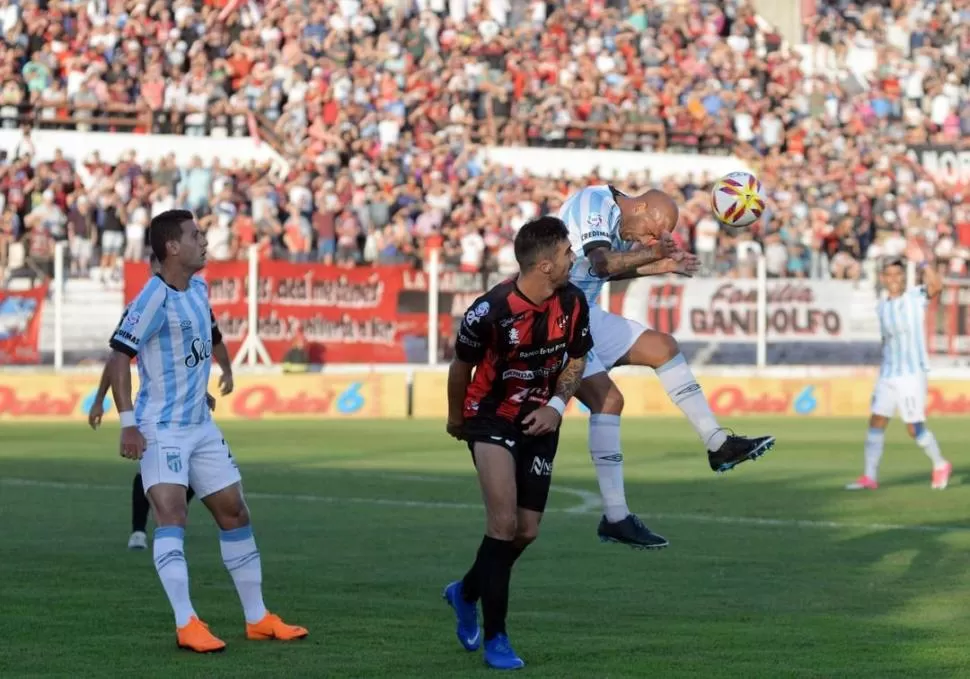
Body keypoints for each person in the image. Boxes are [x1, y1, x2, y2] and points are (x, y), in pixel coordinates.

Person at [105, 209, 307, 653]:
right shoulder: (151, 298)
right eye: (196, 236)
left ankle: (257, 618)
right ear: (172, 247)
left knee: (235, 512)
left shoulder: (198, 286)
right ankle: (186, 623)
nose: (205, 241)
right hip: (163, 429)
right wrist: (127, 424)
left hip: (200, 423)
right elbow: (120, 356)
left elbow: (209, 332)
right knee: (172, 516)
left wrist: (224, 370)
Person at [559, 186, 775, 549]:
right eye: (652, 229)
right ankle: (616, 517)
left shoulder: (617, 217)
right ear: (640, 205)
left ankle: (717, 443)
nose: (650, 238)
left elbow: (602, 272)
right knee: (608, 401)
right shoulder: (593, 203)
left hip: (584, 312)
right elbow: (601, 264)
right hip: (557, 316)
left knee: (662, 347)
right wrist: (653, 254)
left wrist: (661, 264)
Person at [443, 216, 593, 670]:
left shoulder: (573, 301)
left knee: (526, 533)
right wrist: (456, 419)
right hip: (489, 418)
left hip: (541, 421)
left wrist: (556, 405)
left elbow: (577, 358)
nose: (574, 259)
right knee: (503, 525)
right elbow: (459, 367)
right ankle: (497, 639)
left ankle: (465, 591)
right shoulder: (489, 311)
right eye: (568, 253)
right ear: (545, 265)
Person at [88, 253, 205, 551]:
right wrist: (100, 399)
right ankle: (139, 530)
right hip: (154, 410)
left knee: (192, 472)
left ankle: (161, 510)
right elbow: (117, 357)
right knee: (149, 473)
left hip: (184, 409)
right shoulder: (144, 305)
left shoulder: (187, 299)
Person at [846, 257, 950, 490]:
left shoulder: (914, 297)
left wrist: (923, 262)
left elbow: (936, 287)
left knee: (913, 428)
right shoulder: (882, 305)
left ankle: (940, 463)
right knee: (877, 420)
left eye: (898, 274)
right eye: (889, 275)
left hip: (911, 374)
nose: (894, 279)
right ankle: (870, 477)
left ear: (904, 277)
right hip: (888, 373)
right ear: (883, 278)